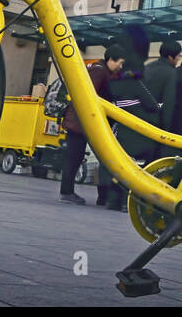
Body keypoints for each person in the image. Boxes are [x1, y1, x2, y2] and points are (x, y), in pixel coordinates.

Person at [100, 27, 161, 211]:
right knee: (132, 167)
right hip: (135, 131)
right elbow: (150, 104)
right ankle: (124, 201)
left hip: (119, 130)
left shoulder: (111, 82)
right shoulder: (135, 83)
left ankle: (109, 199)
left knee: (117, 165)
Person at [59, 45, 125, 205]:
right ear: (110, 59)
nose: (120, 66)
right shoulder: (99, 70)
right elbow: (89, 97)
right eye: (120, 63)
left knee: (82, 157)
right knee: (75, 158)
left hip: (85, 122)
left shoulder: (105, 71)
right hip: (81, 123)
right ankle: (67, 193)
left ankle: (97, 196)